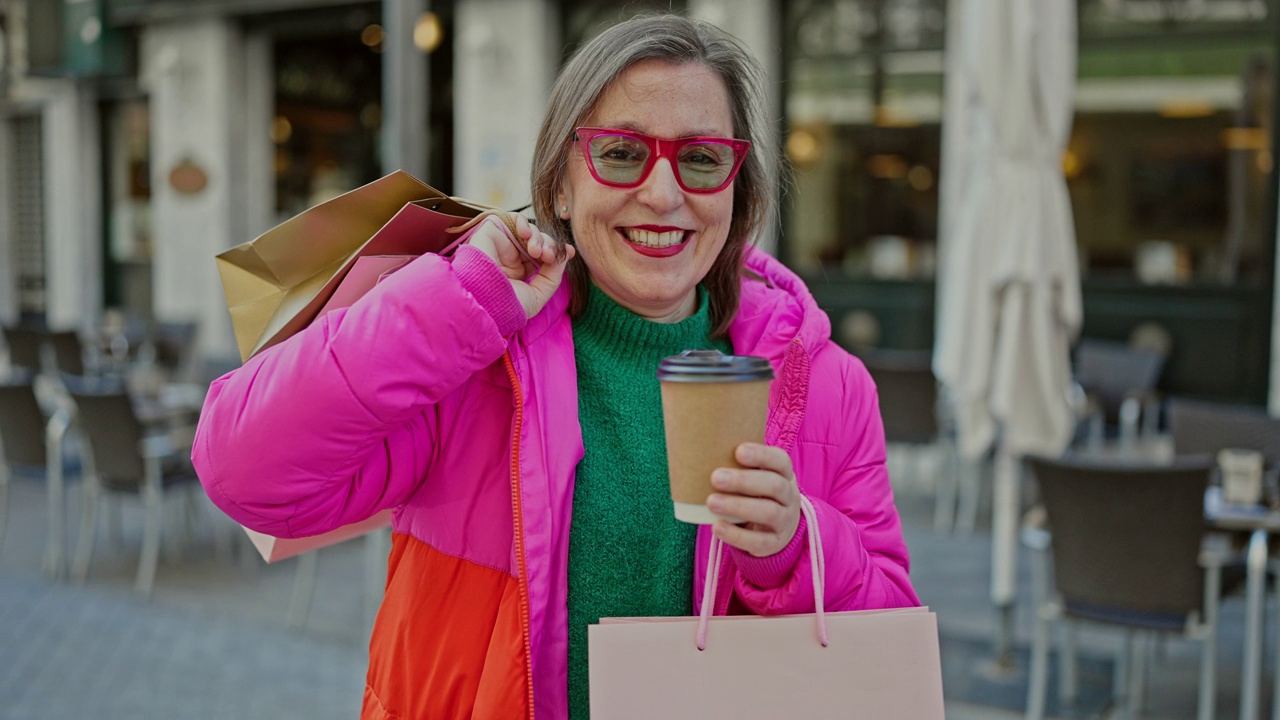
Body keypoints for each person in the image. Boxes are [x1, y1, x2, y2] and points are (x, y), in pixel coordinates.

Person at [193, 13, 919, 720]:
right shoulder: (478, 363)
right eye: (621, 153)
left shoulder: (824, 380)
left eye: (700, 159)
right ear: (562, 186)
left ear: (738, 192)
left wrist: (797, 547)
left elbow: (890, 639)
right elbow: (242, 473)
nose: (664, 195)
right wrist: (454, 305)